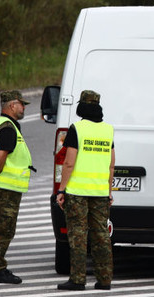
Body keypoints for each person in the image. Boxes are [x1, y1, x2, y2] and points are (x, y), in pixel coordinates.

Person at [55, 90, 115, 291]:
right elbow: (111, 165)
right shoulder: (108, 130)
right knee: (101, 236)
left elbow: (69, 163)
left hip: (78, 192)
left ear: (82, 106)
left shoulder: (77, 129)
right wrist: (108, 191)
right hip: (99, 193)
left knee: (78, 236)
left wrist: (61, 190)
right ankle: (105, 279)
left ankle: (78, 280)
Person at [0, 90, 35, 285]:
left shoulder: (3, 124)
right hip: (6, 188)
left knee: (3, 228)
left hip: (5, 187)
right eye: (22, 104)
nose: (24, 107)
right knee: (3, 230)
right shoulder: (7, 128)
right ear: (12, 105)